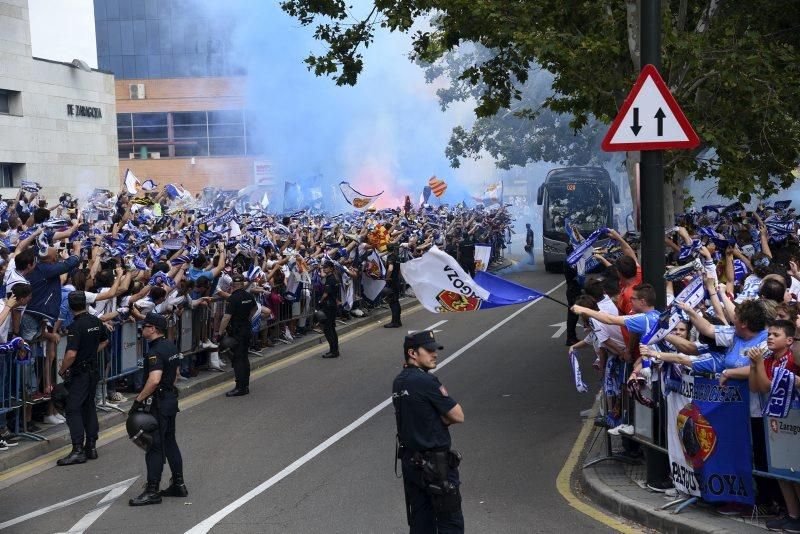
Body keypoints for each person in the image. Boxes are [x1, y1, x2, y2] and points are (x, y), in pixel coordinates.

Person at [392, 330, 464, 533]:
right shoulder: (426, 381)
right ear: (413, 353)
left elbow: (417, 417)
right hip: (437, 466)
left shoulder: (399, 381)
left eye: (436, 350)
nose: (435, 354)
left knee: (421, 522)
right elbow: (458, 415)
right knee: (450, 521)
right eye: (429, 350)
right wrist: (442, 418)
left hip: (412, 464)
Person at [129, 312, 187, 506]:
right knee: (170, 442)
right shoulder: (171, 346)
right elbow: (176, 373)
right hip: (170, 400)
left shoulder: (154, 351)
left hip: (158, 403)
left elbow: (153, 380)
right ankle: (178, 484)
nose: (142, 329)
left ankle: (152, 490)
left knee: (154, 447)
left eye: (144, 326)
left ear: (152, 329)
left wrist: (138, 401)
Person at [56, 291, 108, 466]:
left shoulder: (75, 327)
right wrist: (91, 353)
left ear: (70, 307)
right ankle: (91, 446)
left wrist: (63, 369)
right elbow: (104, 341)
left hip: (80, 373)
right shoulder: (95, 321)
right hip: (93, 371)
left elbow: (71, 354)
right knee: (88, 406)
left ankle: (78, 449)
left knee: (72, 409)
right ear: (85, 304)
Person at [219, 273, 256, 396]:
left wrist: (219, 333)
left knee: (238, 360)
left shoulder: (233, 298)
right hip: (247, 329)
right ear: (242, 284)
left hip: (237, 332)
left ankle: (240, 387)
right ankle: (245, 385)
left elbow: (226, 317)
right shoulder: (249, 296)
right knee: (244, 358)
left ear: (232, 285)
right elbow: (254, 309)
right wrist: (248, 318)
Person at [320, 261, 341, 358]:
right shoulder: (335, 277)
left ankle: (333, 351)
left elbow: (326, 294)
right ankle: (334, 350)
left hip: (329, 306)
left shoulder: (330, 279)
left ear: (331, 268)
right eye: (323, 267)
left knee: (328, 329)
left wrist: (319, 302)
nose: (324, 268)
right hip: (332, 306)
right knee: (331, 328)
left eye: (326, 267)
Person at [384, 243, 403, 328]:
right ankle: (398, 321)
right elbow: (399, 270)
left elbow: (390, 269)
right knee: (396, 301)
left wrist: (387, 277)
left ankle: (394, 322)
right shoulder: (397, 257)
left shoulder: (390, 257)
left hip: (391, 282)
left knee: (393, 302)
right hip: (397, 281)